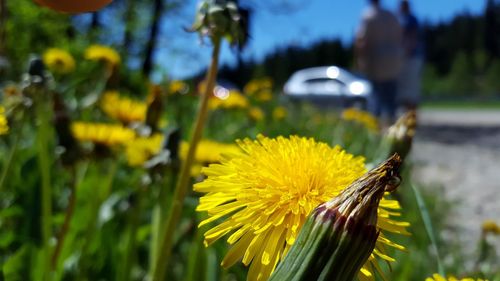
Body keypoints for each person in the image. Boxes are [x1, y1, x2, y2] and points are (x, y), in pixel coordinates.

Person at [355, 0, 403, 123]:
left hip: (376, 61)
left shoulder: (368, 15)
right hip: (394, 61)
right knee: (391, 101)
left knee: (375, 99)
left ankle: (375, 134)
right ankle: (393, 132)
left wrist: (361, 60)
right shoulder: (391, 15)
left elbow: (362, 40)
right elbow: (400, 36)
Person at [398, 0, 424, 111]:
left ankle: (411, 117)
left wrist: (406, 52)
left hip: (412, 58)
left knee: (411, 89)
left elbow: (412, 38)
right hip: (406, 58)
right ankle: (407, 118)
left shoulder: (411, 20)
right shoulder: (401, 19)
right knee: (405, 90)